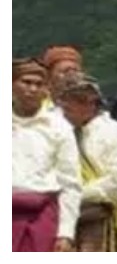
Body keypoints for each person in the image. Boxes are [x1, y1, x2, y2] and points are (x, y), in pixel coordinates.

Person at [58, 72, 117, 253]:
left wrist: (75, 195)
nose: (70, 105)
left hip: (98, 215)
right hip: (58, 218)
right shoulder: (53, 130)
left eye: (83, 99)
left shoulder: (114, 132)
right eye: (68, 99)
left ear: (94, 102)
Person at [11, 57, 81, 252]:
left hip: (42, 218)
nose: (32, 89)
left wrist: (66, 233)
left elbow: (70, 183)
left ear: (46, 90)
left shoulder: (59, 127)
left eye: (39, 84)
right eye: (26, 82)